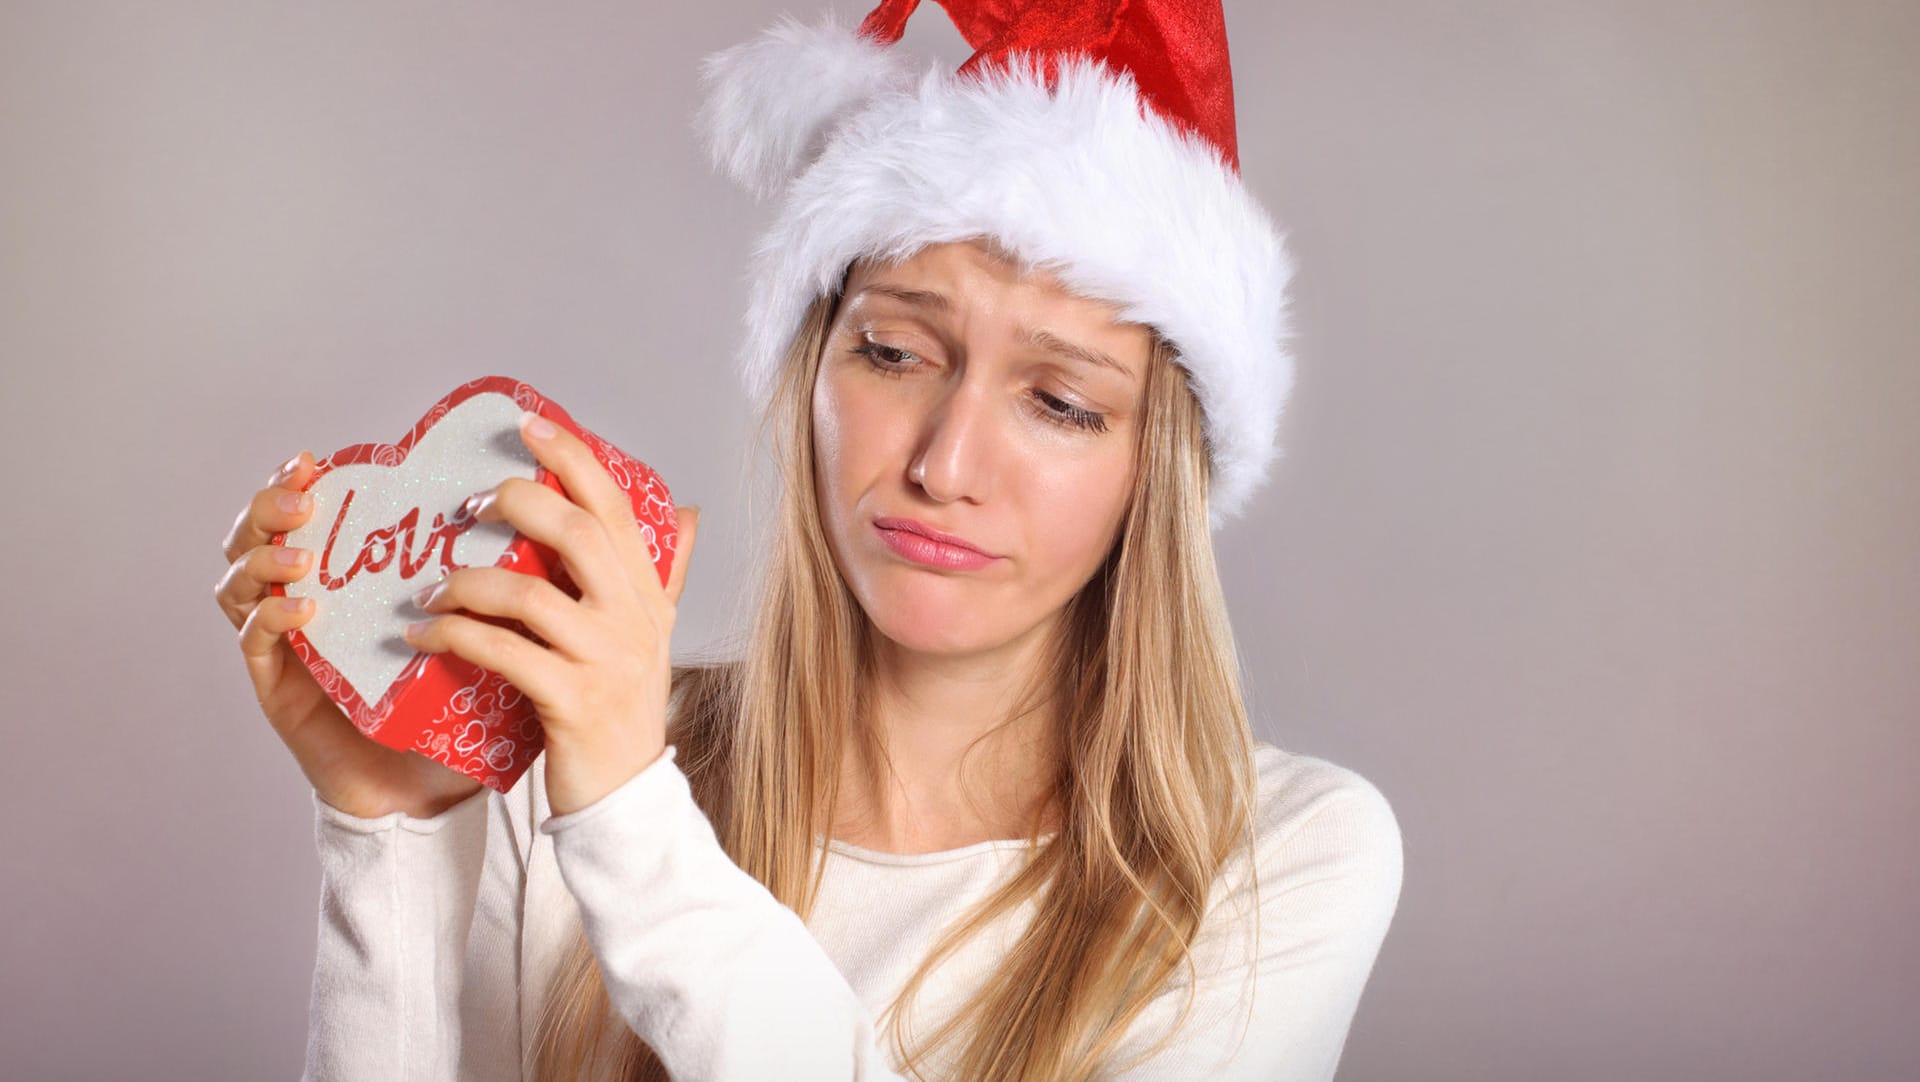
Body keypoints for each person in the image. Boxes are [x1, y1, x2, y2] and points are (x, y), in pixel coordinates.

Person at [213, 2, 1404, 1079]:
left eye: (1062, 402)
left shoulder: (1280, 860)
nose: (942, 466)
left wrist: (630, 816)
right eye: (893, 352)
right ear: (811, 374)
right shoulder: (558, 757)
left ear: (1159, 468)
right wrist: (391, 831)